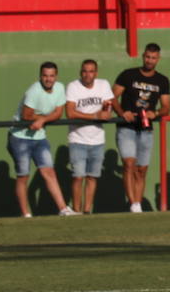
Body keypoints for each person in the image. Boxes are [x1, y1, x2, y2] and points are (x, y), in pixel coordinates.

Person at [8, 62, 76, 217]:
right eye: (45, 75)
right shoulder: (33, 91)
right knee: (23, 175)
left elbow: (58, 113)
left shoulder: (59, 88)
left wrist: (42, 120)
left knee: (48, 171)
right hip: (20, 138)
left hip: (40, 137)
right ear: (40, 76)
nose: (48, 79)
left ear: (56, 76)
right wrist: (40, 119)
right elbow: (26, 115)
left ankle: (63, 209)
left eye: (51, 76)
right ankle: (26, 214)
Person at [112, 44, 170, 212]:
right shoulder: (128, 75)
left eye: (153, 58)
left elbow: (166, 106)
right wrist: (122, 112)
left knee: (142, 169)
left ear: (158, 59)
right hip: (126, 128)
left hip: (146, 129)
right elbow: (112, 96)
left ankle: (137, 202)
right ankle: (134, 204)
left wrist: (156, 113)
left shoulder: (162, 80)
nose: (149, 60)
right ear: (143, 56)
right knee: (129, 163)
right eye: (147, 57)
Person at [64, 58, 113, 214]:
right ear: (81, 72)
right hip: (77, 138)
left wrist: (106, 110)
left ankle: (87, 210)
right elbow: (70, 113)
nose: (87, 74)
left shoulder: (103, 85)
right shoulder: (73, 86)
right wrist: (95, 116)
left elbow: (108, 107)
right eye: (85, 71)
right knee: (78, 176)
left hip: (98, 140)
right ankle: (76, 210)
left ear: (96, 73)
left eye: (91, 71)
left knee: (92, 177)